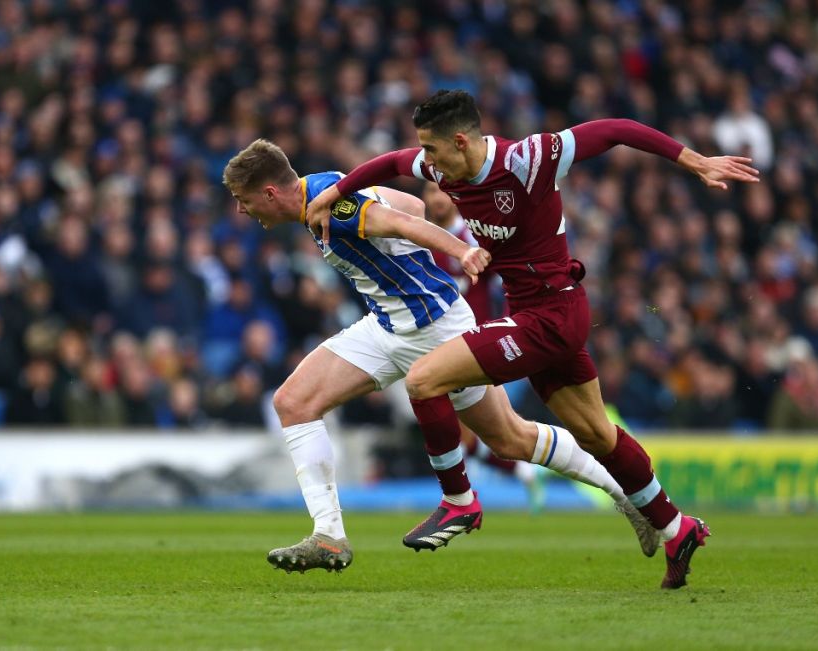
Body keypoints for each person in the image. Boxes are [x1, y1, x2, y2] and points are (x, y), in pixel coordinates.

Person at [306, 89, 760, 588]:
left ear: (461, 141)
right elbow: (392, 161)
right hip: (535, 312)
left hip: (553, 314)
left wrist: (695, 162)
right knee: (596, 434)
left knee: (423, 378)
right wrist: (335, 191)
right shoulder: (442, 166)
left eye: (433, 151)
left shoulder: (528, 159)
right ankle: (677, 528)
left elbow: (614, 130)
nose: (427, 164)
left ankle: (459, 502)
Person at [222, 139, 658, 574]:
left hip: (436, 327)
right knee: (293, 402)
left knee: (509, 438)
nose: (242, 211)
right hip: (386, 325)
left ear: (270, 193)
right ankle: (329, 536)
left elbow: (404, 223)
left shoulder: (334, 208)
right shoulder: (322, 188)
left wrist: (461, 250)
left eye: (244, 201)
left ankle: (624, 493)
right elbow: (412, 203)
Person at [422, 181, 543, 509]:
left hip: (470, 348)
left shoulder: (472, 241)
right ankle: (522, 470)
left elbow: (507, 281)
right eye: (429, 192)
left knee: (478, 431)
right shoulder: (422, 241)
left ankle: (466, 496)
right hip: (432, 347)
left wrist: (503, 326)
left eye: (440, 191)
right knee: (475, 432)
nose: (436, 198)